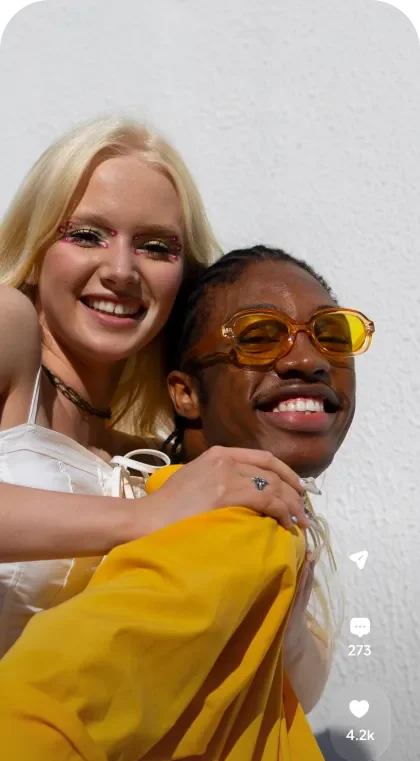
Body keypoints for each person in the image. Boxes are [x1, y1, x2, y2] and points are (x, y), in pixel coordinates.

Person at [0, 246, 382, 761]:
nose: (308, 359)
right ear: (183, 393)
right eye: (259, 336)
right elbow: (37, 719)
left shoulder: (269, 537)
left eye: (331, 333)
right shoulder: (234, 528)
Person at [0, 115, 307, 657]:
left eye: (156, 246)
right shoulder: (9, 322)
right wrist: (143, 518)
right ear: (36, 248)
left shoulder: (149, 464)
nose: (121, 270)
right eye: (86, 235)